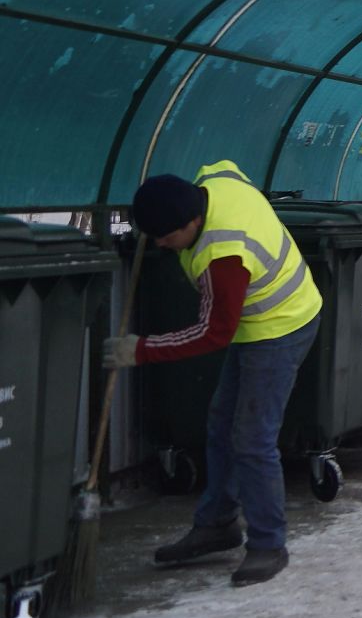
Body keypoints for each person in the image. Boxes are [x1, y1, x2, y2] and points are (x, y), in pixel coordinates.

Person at [101, 161, 321, 586]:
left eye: (167, 238)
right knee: (222, 425)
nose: (163, 246)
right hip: (259, 316)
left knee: (252, 440)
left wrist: (142, 350)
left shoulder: (223, 256)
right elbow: (230, 167)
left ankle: (268, 545)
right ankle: (218, 524)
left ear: (194, 221)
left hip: (282, 322)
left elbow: (212, 333)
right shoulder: (215, 181)